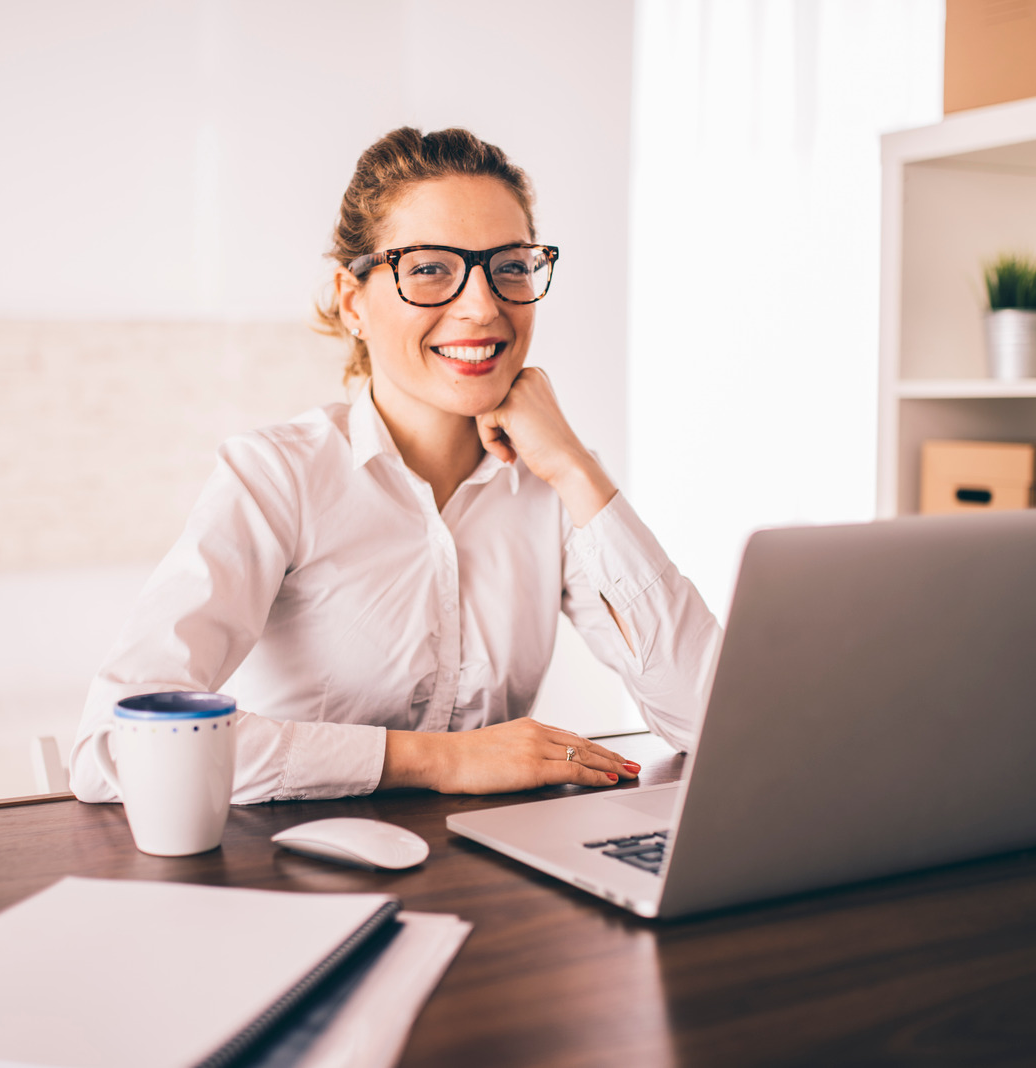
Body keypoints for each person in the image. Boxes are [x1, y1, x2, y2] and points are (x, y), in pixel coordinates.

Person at [70, 127, 719, 806]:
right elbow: (115, 746)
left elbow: (707, 720)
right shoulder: (278, 477)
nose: (483, 306)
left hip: (490, 883)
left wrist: (576, 468)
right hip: (293, 886)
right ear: (354, 303)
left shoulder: (551, 485)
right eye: (431, 268)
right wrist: (438, 760)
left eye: (511, 267)